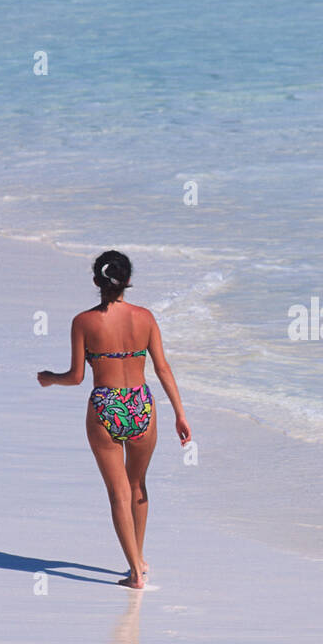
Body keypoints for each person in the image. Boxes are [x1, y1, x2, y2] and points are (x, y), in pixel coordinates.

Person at [37, 250, 191, 589]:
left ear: (96, 281)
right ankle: (139, 558)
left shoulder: (83, 322)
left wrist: (50, 377)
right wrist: (180, 413)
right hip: (141, 406)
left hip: (106, 406)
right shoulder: (146, 317)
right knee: (137, 486)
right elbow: (162, 368)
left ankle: (135, 572)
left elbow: (77, 376)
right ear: (128, 281)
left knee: (117, 492)